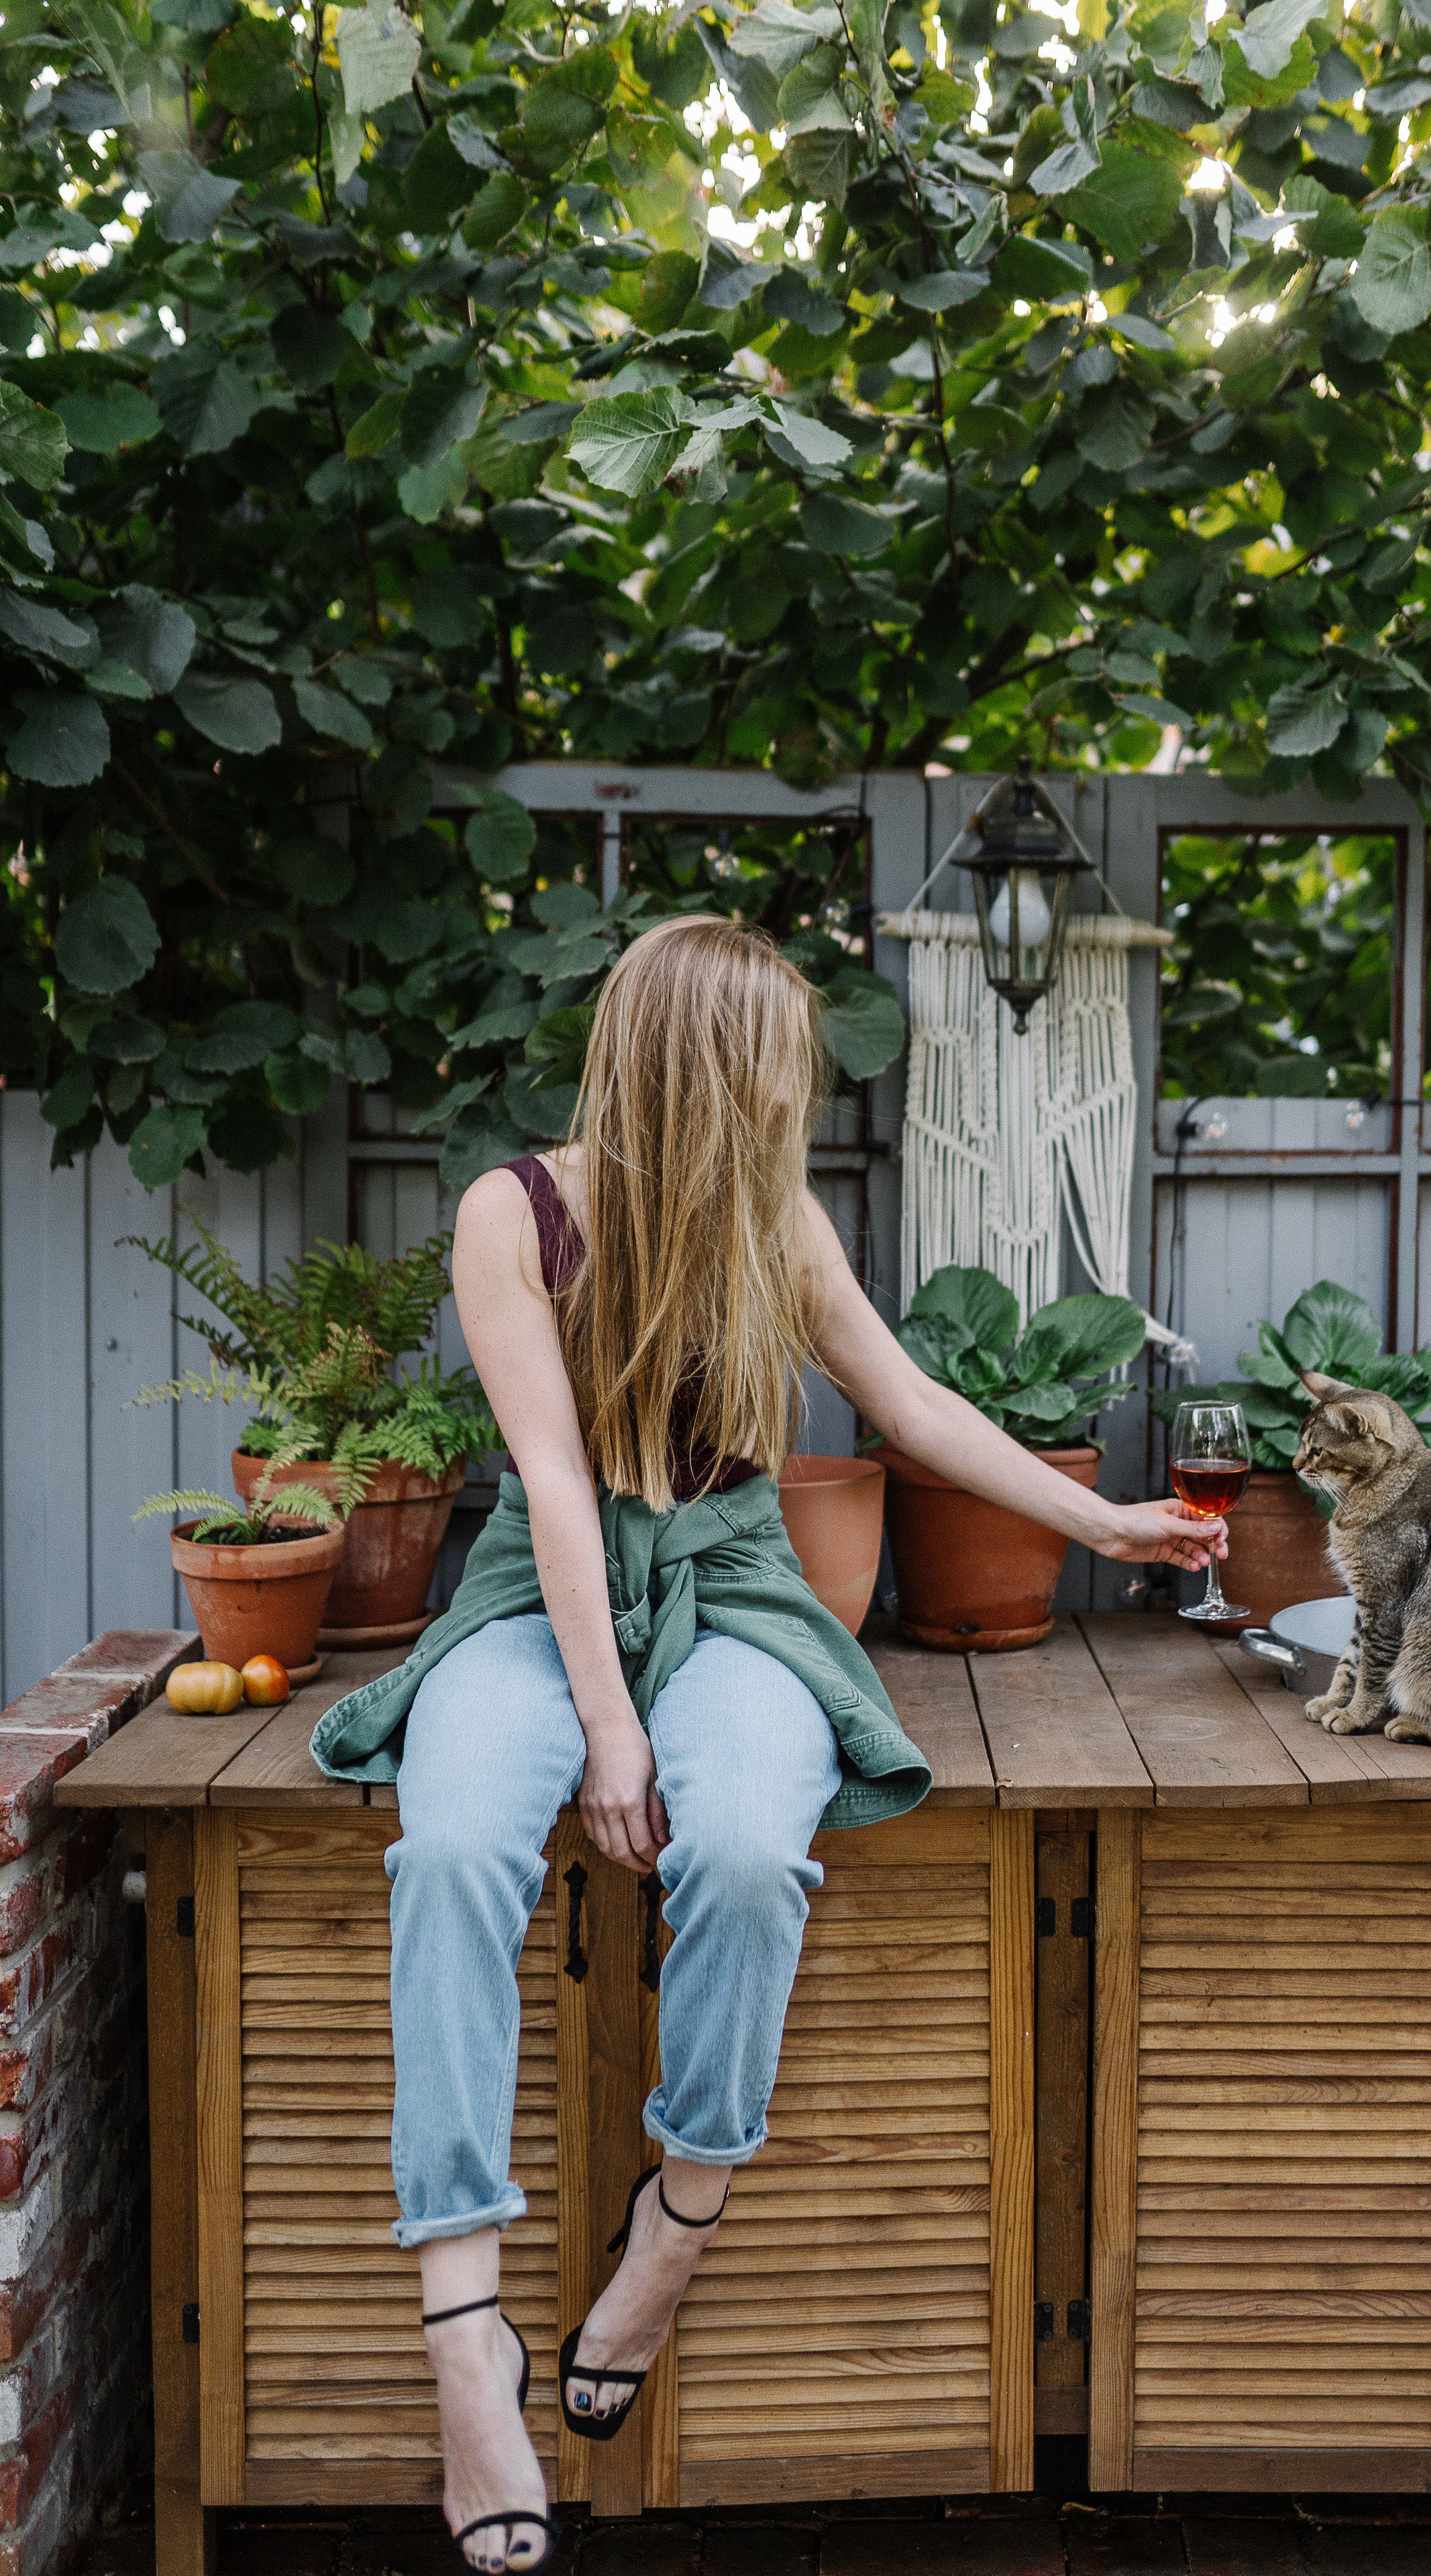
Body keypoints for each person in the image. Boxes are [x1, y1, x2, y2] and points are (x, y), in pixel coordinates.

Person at [310, 914, 1228, 2573]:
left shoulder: (773, 1222)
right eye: (777, 1070)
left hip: (733, 1581)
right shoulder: (513, 1216)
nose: (793, 1099)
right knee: (446, 1848)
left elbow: (916, 1410)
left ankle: (681, 2212)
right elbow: (560, 1484)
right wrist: (605, 1726)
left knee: (739, 1850)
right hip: (546, 1585)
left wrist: (1108, 1520)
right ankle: (463, 2327)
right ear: (708, 1069)